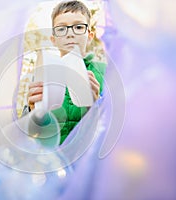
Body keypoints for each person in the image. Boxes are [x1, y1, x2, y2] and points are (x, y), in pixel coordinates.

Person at [23, 0, 106, 144]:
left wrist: (96, 105)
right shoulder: (44, 74)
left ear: (90, 36)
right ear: (53, 40)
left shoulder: (104, 72)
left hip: (87, 159)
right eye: (61, 29)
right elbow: (31, 132)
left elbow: (114, 126)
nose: (70, 34)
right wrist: (32, 110)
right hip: (52, 160)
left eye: (79, 27)